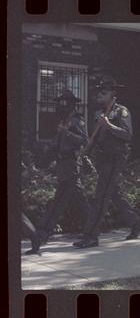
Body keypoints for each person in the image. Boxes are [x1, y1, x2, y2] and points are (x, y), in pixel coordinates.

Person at [73, 79, 140, 249]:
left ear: (113, 94)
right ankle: (135, 223)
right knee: (112, 193)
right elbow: (95, 139)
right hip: (103, 159)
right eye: (98, 92)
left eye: (103, 92)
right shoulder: (98, 114)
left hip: (115, 158)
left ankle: (91, 236)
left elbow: (128, 135)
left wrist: (109, 125)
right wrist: (85, 153)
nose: (99, 94)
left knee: (101, 196)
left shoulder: (121, 112)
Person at [36, 89, 90, 246]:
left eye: (64, 103)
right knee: (79, 201)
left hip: (71, 165)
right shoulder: (64, 121)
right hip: (63, 165)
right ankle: (92, 229)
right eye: (60, 103)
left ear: (72, 105)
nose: (61, 106)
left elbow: (84, 141)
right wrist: (45, 158)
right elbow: (57, 143)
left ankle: (43, 232)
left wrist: (67, 133)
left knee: (59, 200)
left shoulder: (76, 120)